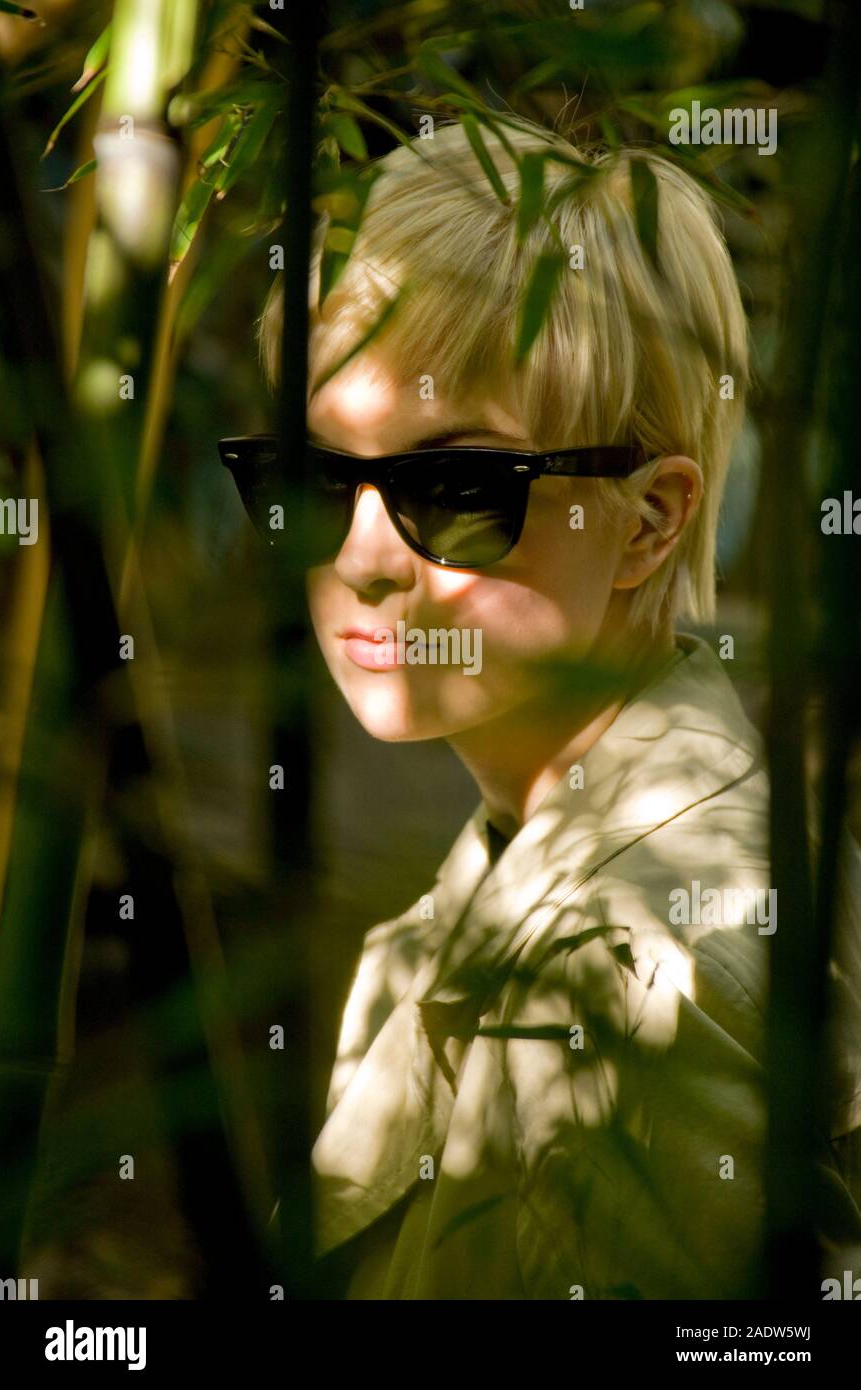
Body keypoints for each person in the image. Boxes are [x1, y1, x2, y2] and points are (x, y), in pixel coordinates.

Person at [240, 116, 861, 1298]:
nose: (363, 559)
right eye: (314, 478)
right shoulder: (530, 850)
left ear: (648, 521)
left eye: (457, 485)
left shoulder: (633, 985)